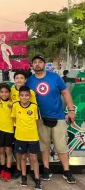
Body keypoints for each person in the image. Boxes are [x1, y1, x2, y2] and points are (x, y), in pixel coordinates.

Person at [26, 55, 76, 184]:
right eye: (35, 62)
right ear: (32, 65)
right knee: (44, 146)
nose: (37, 64)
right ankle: (46, 169)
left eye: (40, 62)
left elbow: (65, 92)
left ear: (44, 64)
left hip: (58, 117)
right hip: (40, 118)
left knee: (61, 146)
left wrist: (71, 110)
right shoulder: (29, 81)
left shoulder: (55, 77)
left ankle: (66, 171)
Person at [7, 70, 37, 179]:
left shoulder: (31, 93)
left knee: (31, 152)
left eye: (21, 78)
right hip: (16, 126)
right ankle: (19, 169)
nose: (19, 80)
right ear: (14, 80)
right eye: (17, 78)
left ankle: (33, 170)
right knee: (19, 150)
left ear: (25, 80)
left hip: (30, 127)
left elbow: (34, 109)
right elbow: (5, 99)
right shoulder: (11, 91)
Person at [11, 86, 41, 190]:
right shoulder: (15, 105)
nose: (24, 97)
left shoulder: (34, 106)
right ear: (18, 96)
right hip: (20, 137)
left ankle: (37, 179)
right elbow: (14, 119)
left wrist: (31, 131)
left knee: (33, 159)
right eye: (22, 95)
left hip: (33, 137)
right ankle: (23, 176)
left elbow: (36, 121)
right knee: (23, 157)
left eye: (26, 95)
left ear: (30, 96)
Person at [0, 83, 14, 182]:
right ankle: (2, 170)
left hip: (10, 130)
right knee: (1, 151)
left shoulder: (13, 103)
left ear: (9, 93)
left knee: (8, 151)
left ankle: (8, 171)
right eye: (1, 92)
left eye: (6, 92)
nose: (4, 94)